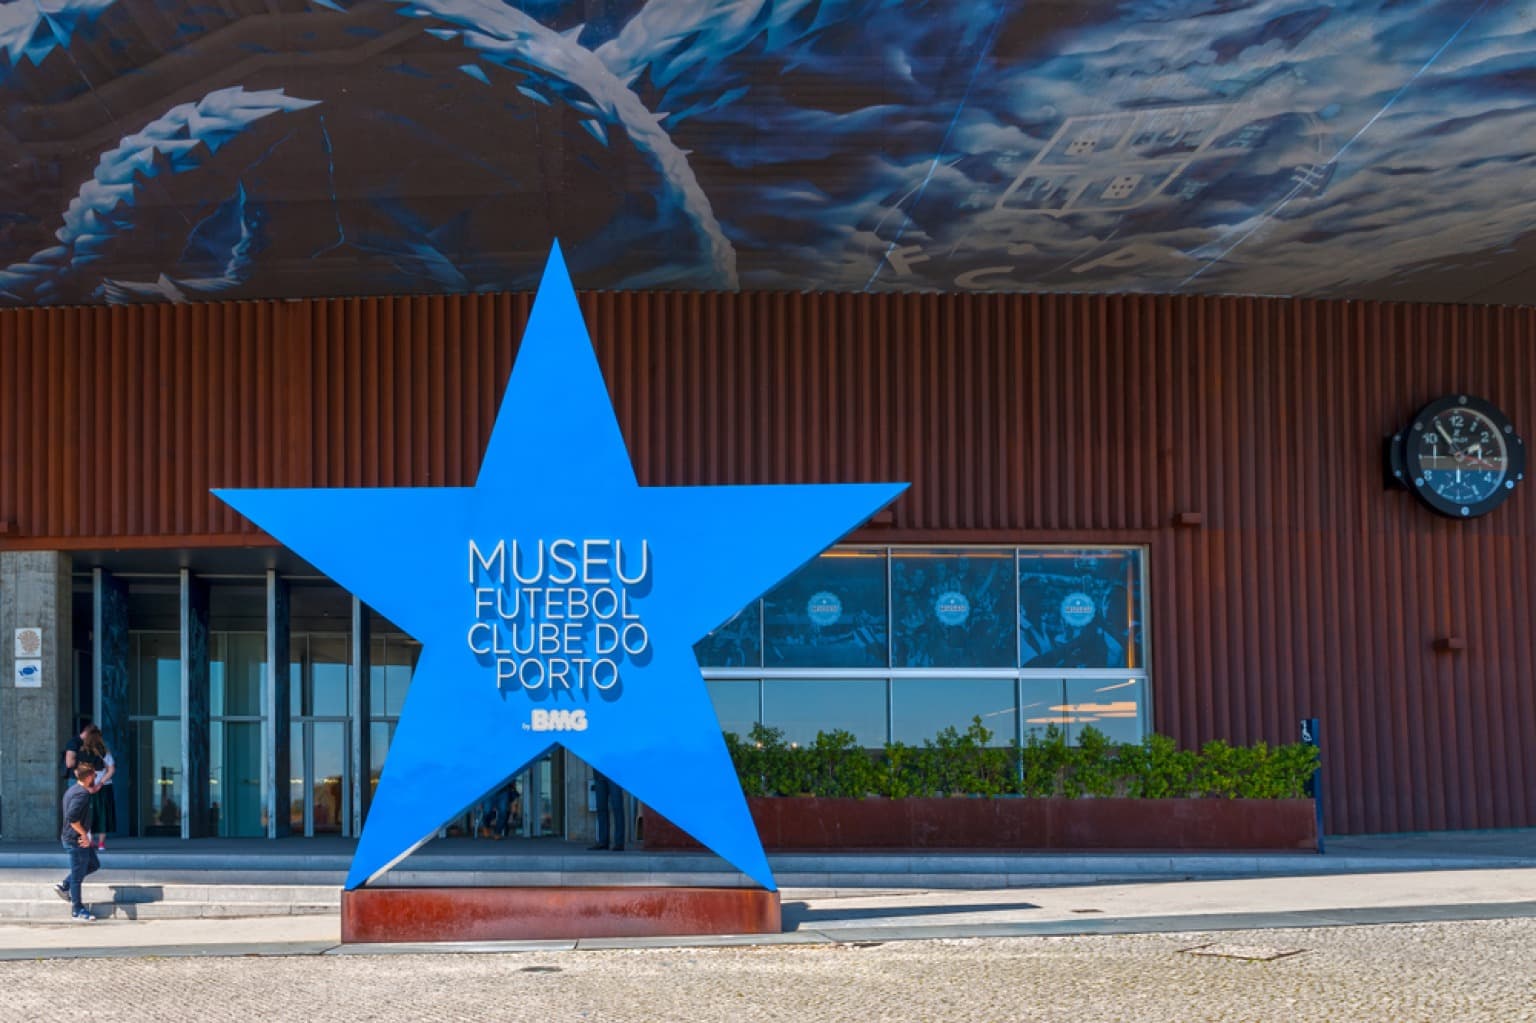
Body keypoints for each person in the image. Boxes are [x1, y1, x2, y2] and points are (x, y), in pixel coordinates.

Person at [55, 762, 101, 921]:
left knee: (94, 864)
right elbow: (72, 818)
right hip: (76, 840)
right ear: (88, 777)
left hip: (74, 838)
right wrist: (85, 835)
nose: (95, 777)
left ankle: (64, 885)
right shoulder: (82, 794)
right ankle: (77, 910)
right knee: (77, 875)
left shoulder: (73, 790)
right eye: (94, 775)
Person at [80, 725, 115, 849]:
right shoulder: (105, 751)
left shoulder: (83, 752)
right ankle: (101, 844)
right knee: (103, 814)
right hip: (104, 786)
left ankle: (88, 840)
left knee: (88, 813)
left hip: (88, 787)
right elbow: (111, 770)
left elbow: (80, 771)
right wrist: (100, 783)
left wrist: (88, 786)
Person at [589, 769, 626, 851]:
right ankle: (603, 842)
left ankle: (619, 842)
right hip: (599, 773)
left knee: (617, 807)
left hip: (614, 773)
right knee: (601, 808)